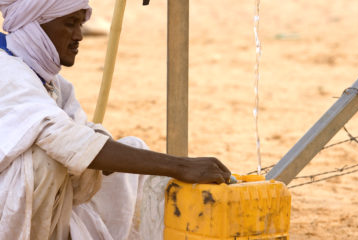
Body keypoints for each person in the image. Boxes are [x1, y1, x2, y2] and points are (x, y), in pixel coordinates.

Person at [0, 0, 231, 239]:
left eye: (81, 24)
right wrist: (181, 166)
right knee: (46, 161)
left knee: (131, 151)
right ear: (36, 26)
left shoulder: (52, 82)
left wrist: (104, 152)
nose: (79, 35)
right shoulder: (7, 71)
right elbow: (64, 140)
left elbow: (82, 136)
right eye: (70, 24)